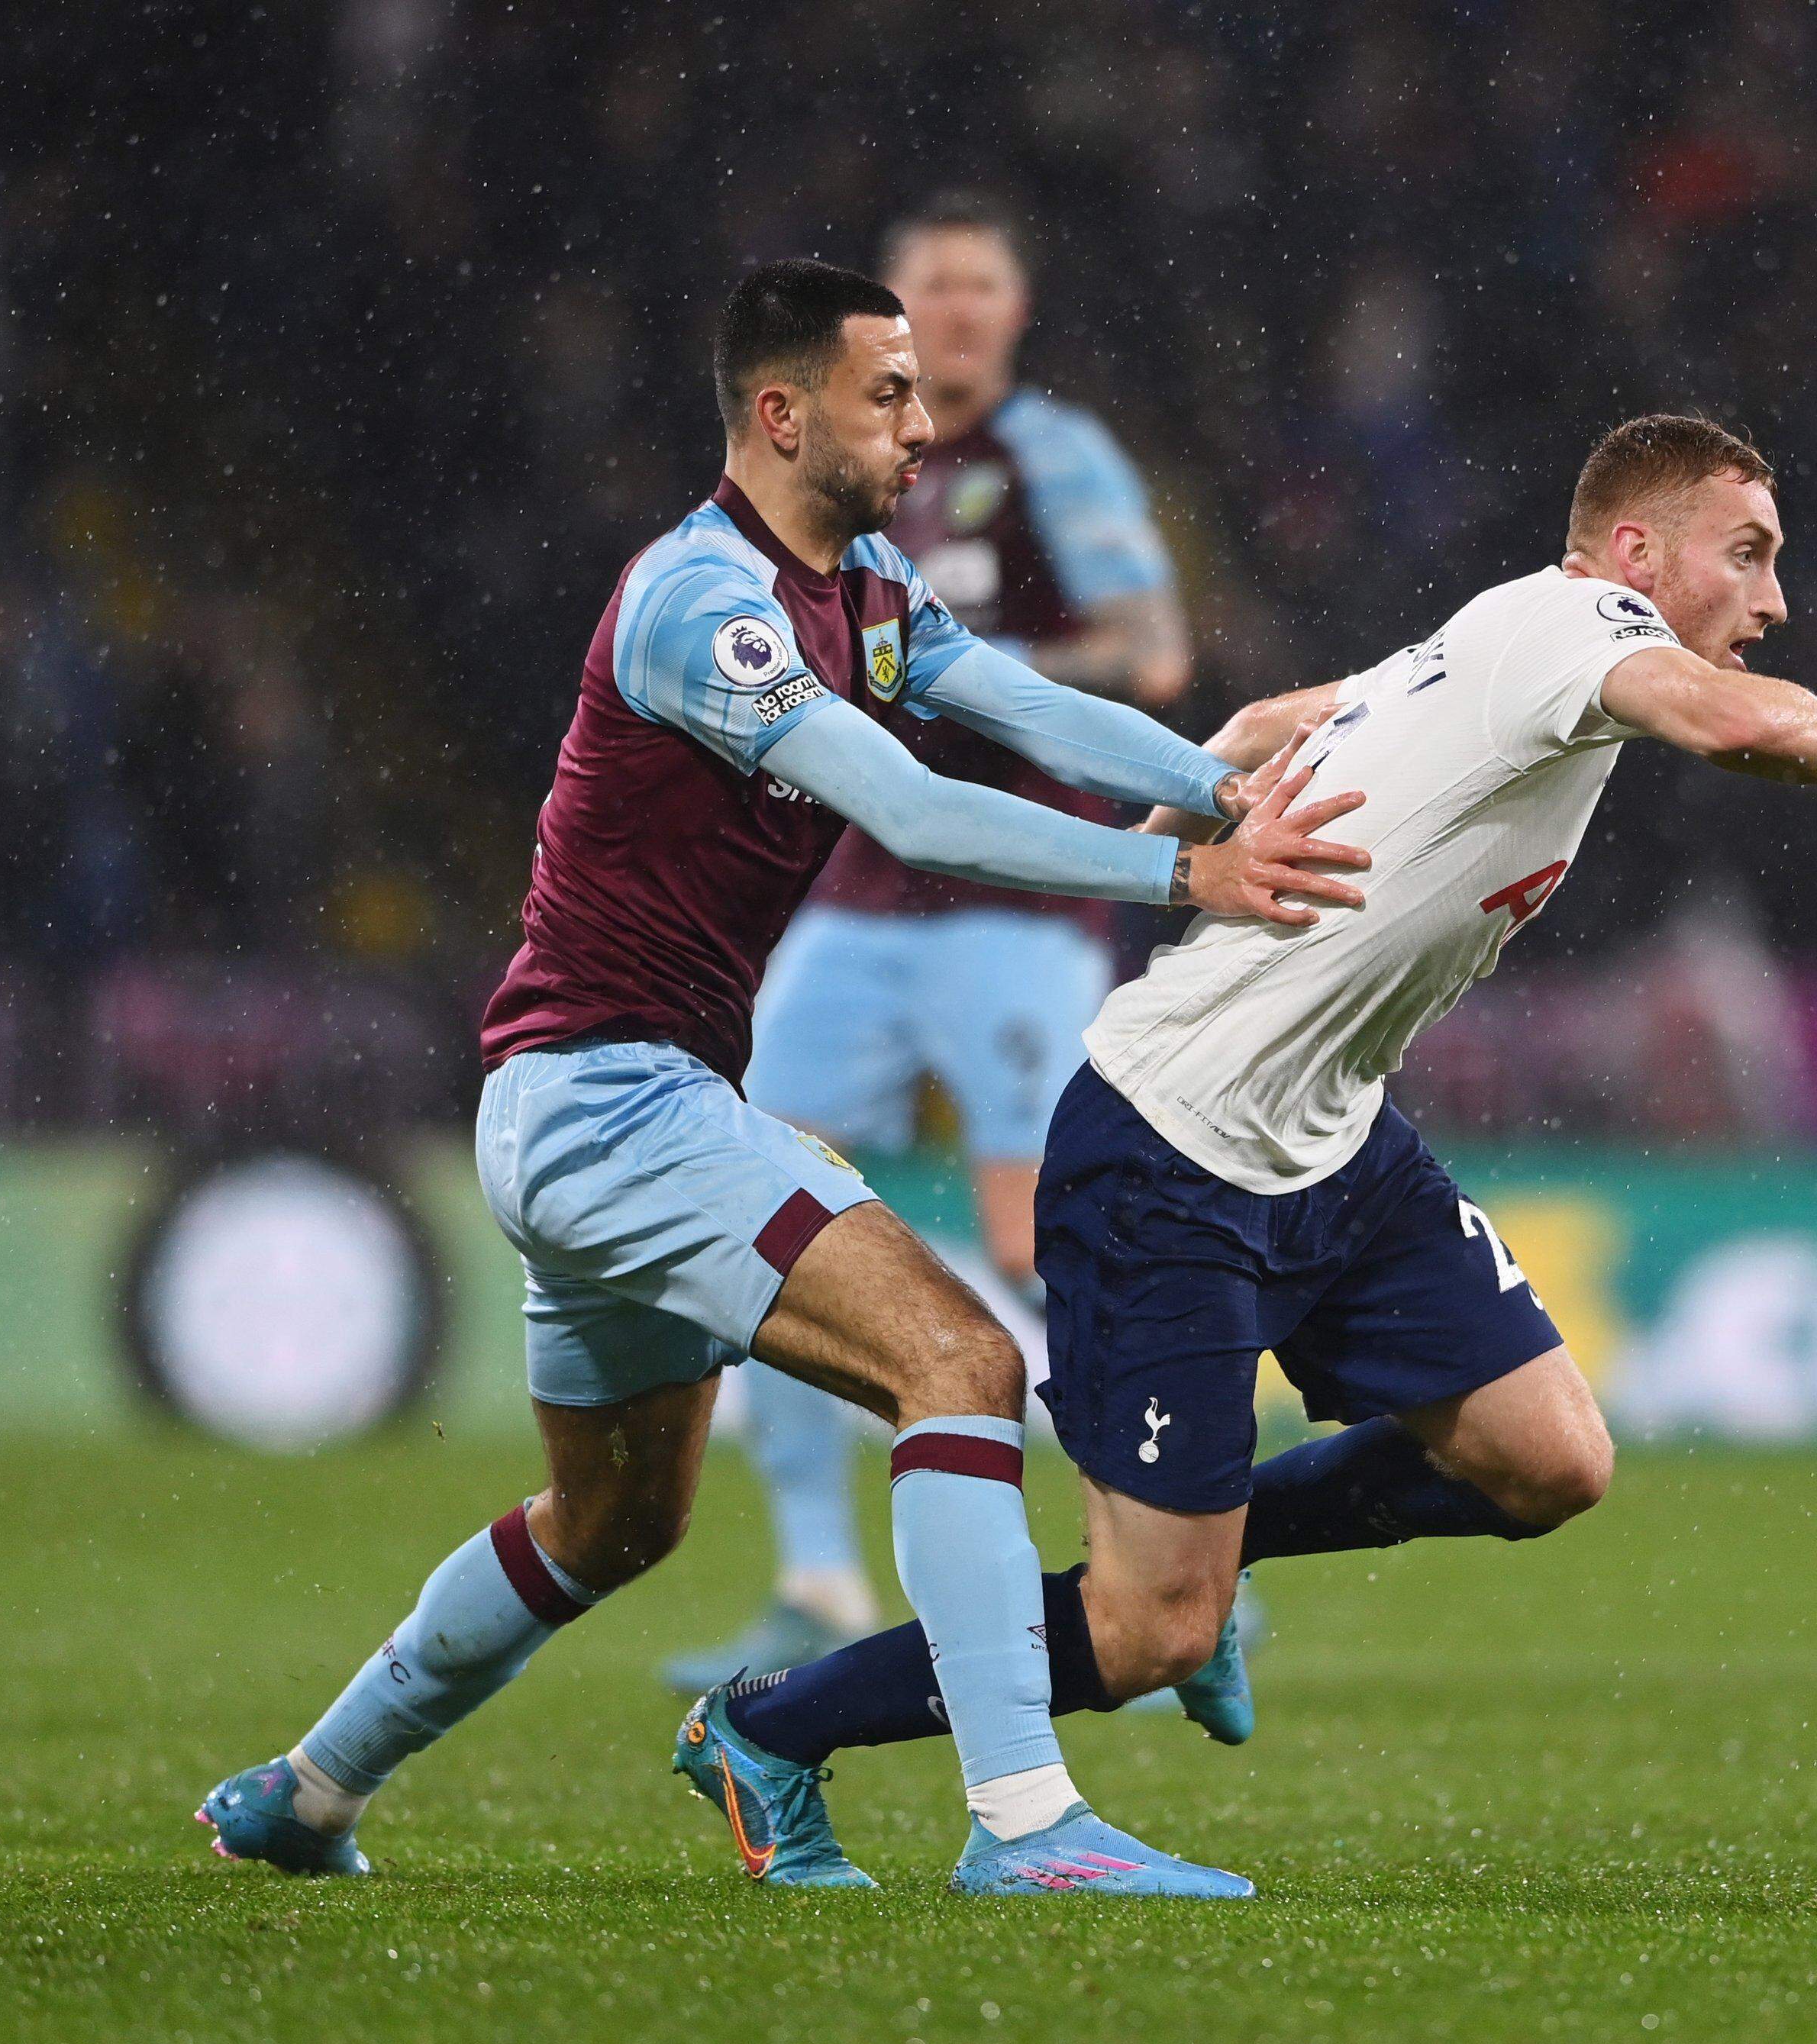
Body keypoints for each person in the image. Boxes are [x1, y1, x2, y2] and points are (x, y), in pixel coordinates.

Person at [195, 259, 1369, 1900]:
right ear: (778, 412)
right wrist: (1179, 876)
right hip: (617, 1104)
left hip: (591, 1108)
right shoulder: (702, 606)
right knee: (956, 1362)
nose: (919, 417)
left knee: (611, 1523)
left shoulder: (871, 581)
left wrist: (1206, 789)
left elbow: (1010, 703)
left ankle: (307, 1791)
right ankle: (1025, 1823)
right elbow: (912, 807)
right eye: (885, 392)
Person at [683, 416, 1817, 1863]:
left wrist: (1196, 794)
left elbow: (1271, 725)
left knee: (1550, 1459)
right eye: (1746, 556)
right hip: (1169, 1150)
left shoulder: (1501, 646)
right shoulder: (1577, 622)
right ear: (1636, 554)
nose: (1773, 601)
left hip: (1335, 1145)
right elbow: (1736, 724)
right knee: (1149, 1635)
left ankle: (1204, 1529)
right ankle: (775, 1727)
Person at [663, 197, 1217, 1704]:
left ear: (1017, 313)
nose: (957, 316)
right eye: (933, 293)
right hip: (852, 905)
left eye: (983, 288)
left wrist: (968, 670)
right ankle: (809, 1576)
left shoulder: (1053, 457)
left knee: (1039, 1239)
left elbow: (1151, 652)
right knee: (758, 1207)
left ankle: (1176, 1571)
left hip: (1019, 911)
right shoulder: (838, 474)